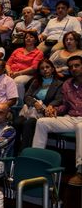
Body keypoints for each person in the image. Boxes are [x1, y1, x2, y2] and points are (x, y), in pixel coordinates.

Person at [33, 55, 82, 186]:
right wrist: (54, 110)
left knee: (81, 127)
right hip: (71, 118)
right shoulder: (67, 84)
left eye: (77, 65)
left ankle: (80, 171)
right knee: (42, 122)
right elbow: (65, 106)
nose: (73, 69)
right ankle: (36, 161)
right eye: (71, 67)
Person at [14, 59, 63, 152]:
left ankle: (25, 152)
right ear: (39, 71)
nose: (45, 69)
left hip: (46, 111)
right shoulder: (36, 82)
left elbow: (59, 99)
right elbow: (27, 96)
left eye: (47, 67)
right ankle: (15, 151)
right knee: (17, 122)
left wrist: (50, 105)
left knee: (28, 124)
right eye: (42, 68)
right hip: (31, 110)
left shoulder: (59, 83)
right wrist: (34, 103)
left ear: (52, 69)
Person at [6, 33, 44, 102]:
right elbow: (8, 63)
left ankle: (18, 104)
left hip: (27, 74)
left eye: (31, 37)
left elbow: (34, 68)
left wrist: (18, 73)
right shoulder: (18, 50)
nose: (28, 38)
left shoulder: (38, 52)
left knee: (18, 81)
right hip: (12, 72)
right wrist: (9, 72)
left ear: (35, 40)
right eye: (26, 37)